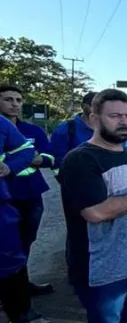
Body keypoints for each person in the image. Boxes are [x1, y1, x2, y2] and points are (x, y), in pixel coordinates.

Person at [58, 89, 127, 323]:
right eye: (115, 116)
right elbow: (96, 212)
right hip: (107, 271)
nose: (124, 122)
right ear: (93, 119)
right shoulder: (81, 158)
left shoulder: (126, 152)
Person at [0, 85, 55, 294]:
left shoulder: (33, 131)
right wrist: (26, 158)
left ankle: (21, 285)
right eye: (8, 99)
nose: (14, 104)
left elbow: (50, 158)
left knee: (26, 241)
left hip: (31, 194)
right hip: (5, 197)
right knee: (6, 246)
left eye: (18, 100)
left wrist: (17, 159)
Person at [1, 115, 48, 323]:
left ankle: (21, 313)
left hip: (2, 208)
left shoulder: (2, 124)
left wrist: (9, 167)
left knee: (11, 259)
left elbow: (26, 151)